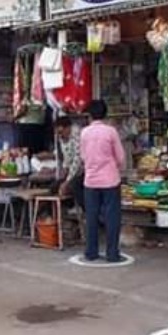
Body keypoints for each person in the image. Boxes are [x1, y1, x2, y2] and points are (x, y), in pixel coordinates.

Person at [80, 101, 126, 263]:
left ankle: (91, 252)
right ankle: (112, 253)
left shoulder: (84, 133)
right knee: (112, 217)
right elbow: (120, 157)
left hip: (91, 181)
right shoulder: (111, 132)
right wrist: (116, 166)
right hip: (110, 180)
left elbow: (83, 157)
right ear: (105, 115)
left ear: (90, 116)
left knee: (91, 217)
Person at [54, 116, 84, 210]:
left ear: (68, 128)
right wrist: (65, 172)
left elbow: (77, 160)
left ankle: (87, 211)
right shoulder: (62, 137)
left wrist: (67, 182)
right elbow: (66, 156)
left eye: (61, 132)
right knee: (54, 187)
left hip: (83, 170)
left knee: (74, 186)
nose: (60, 135)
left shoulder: (77, 134)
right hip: (73, 172)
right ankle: (68, 209)